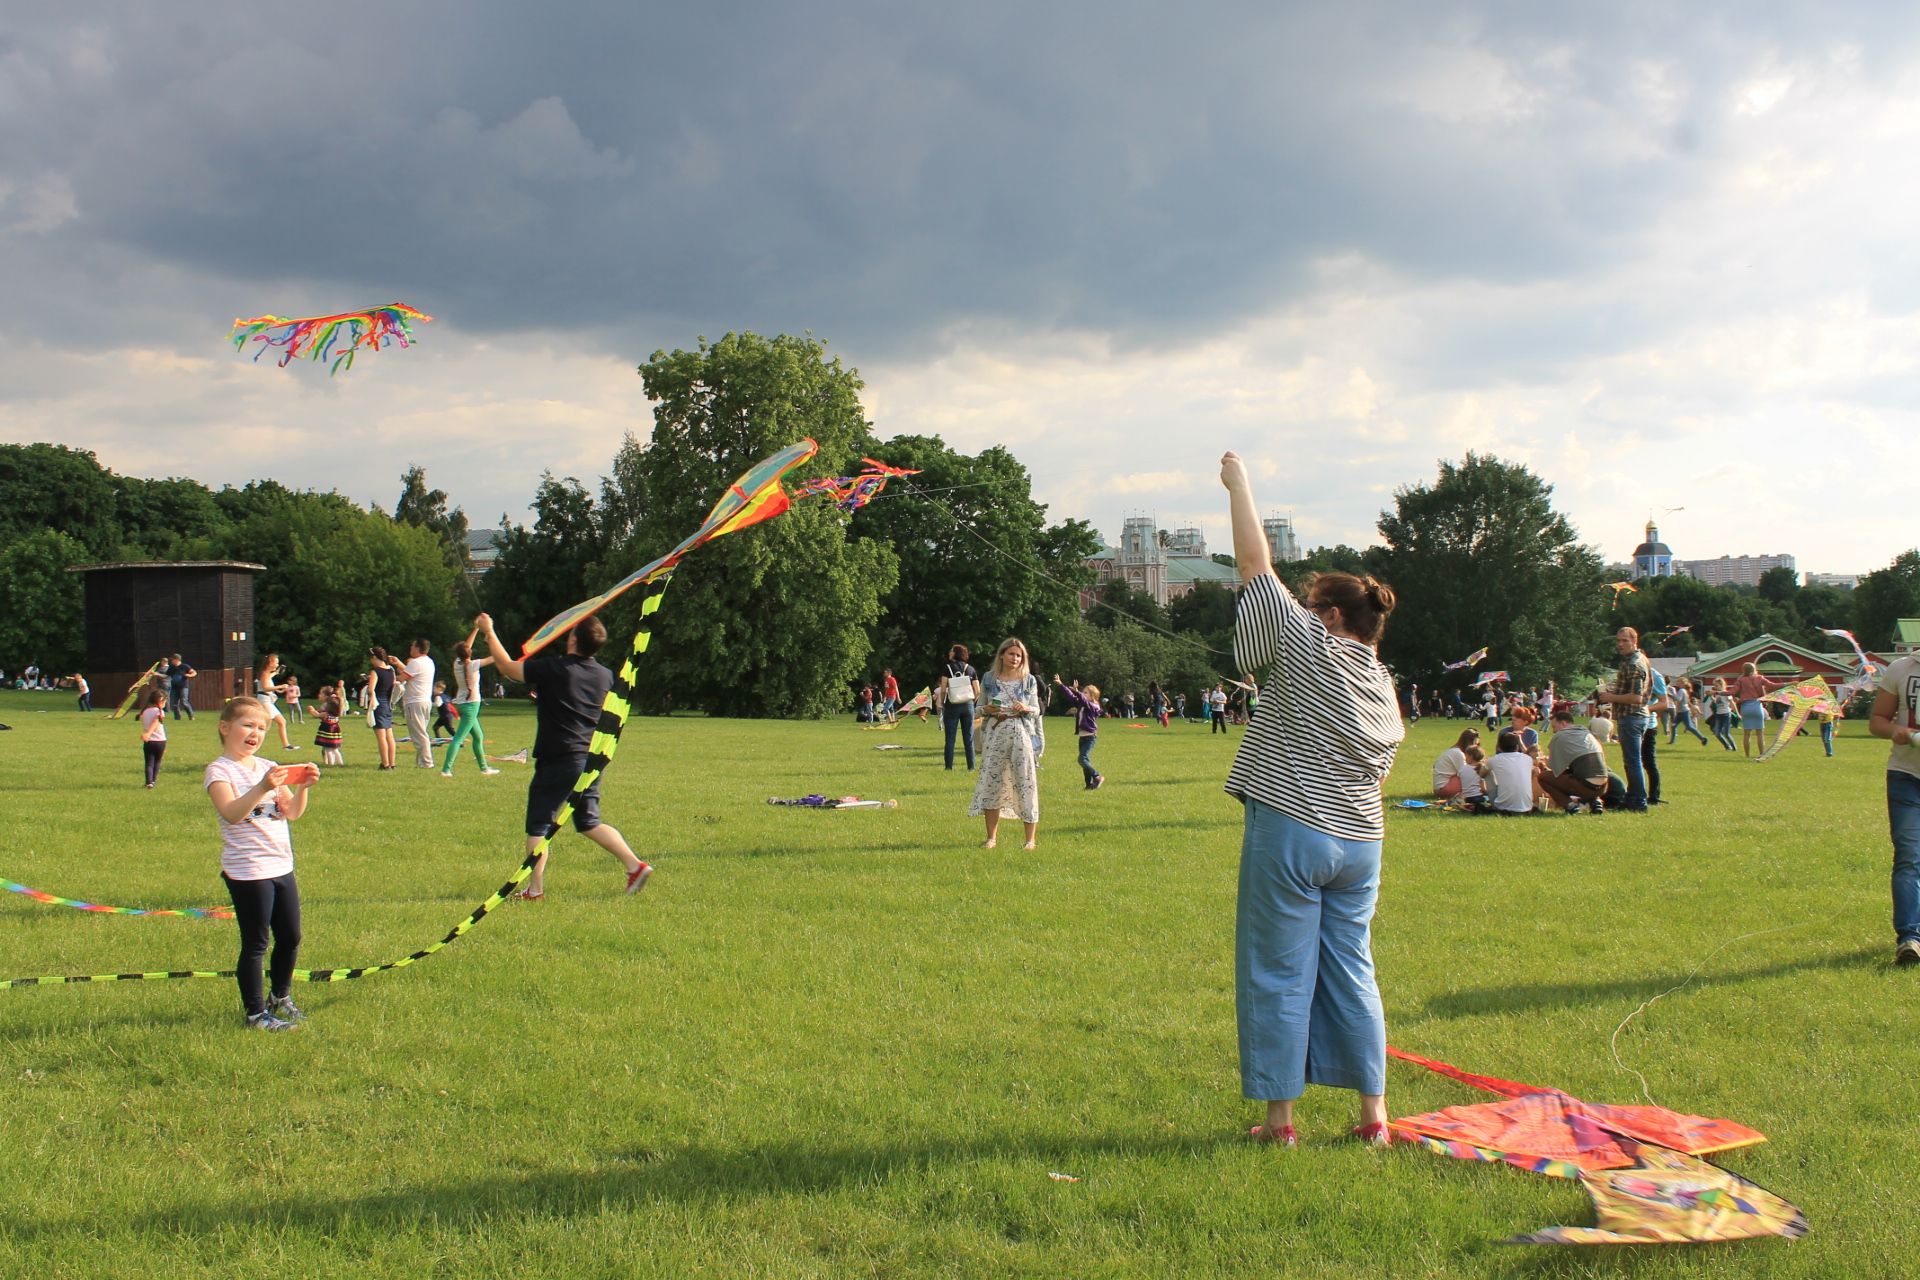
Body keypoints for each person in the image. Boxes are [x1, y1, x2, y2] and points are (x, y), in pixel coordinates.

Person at [1220, 451, 1405, 1148]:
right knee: (1354, 972)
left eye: (1311, 607)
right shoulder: (1384, 684)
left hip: (1294, 833)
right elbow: (1385, 765)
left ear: (1329, 615)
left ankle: (1280, 1125)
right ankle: (1373, 1119)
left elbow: (1252, 569)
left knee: (1277, 971)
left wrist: (1240, 486)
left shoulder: (1309, 644)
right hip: (1363, 843)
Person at [476, 612, 651, 901]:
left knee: (539, 824)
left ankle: (535, 890)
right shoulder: (606, 675)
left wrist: (489, 631)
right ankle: (635, 865)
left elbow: (507, 668)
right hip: (590, 759)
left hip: (558, 758)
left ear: (572, 639)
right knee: (589, 822)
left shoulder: (557, 668)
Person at [205, 696, 316, 1031]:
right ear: (226, 728)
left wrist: (303, 787)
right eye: (248, 725)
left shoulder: (269, 766)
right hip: (248, 870)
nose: (255, 733)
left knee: (291, 936)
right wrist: (262, 786)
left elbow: (292, 813)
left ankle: (279, 997)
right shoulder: (219, 770)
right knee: (256, 942)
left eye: (262, 727)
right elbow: (232, 813)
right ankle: (255, 1015)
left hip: (281, 865)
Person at [1866, 653, 1920, 965]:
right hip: (1906, 777)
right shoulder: (1901, 668)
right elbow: (1877, 721)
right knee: (1909, 858)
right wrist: (1896, 732)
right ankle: (1910, 939)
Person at [969, 637, 1042, 848]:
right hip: (995, 733)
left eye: (1019, 655)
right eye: (1011, 654)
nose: (1015, 658)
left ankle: (1030, 840)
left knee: (1025, 781)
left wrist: (1026, 708)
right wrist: (987, 710)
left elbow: (1037, 710)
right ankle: (991, 838)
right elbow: (978, 708)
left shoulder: (1029, 680)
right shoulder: (989, 679)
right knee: (993, 783)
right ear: (1002, 655)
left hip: (1021, 734)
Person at [1594, 628, 1653, 812]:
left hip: (1632, 717)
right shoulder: (1638, 659)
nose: (1620, 644)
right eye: (1618, 640)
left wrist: (1610, 697)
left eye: (1625, 641)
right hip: (1638, 716)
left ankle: (1637, 801)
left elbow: (1636, 697)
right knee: (1633, 760)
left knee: (1632, 761)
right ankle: (1634, 797)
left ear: (1635, 641)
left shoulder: (1634, 664)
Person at [441, 634, 498, 777]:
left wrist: (476, 629)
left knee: (478, 737)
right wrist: (491, 640)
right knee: (458, 739)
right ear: (469, 653)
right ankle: (446, 770)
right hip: (471, 706)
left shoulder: (457, 663)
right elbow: (496, 657)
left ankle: (484, 769)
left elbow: (466, 647)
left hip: (461, 704)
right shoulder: (474, 664)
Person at [1537, 708, 1609, 813]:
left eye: (1554, 727)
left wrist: (1544, 762)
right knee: (1580, 773)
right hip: (1603, 786)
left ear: (1563, 723)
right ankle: (1595, 801)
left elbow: (1553, 768)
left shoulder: (1560, 736)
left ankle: (1569, 805)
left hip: (1585, 786)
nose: (1553, 731)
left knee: (1543, 777)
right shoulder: (1588, 734)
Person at [1053, 675, 1104, 789]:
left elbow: (1084, 700)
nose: (1083, 693)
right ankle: (1089, 784)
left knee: (1082, 759)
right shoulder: (1083, 703)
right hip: (1082, 736)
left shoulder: (1093, 706)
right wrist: (1061, 685)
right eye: (1083, 692)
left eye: (1086, 692)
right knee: (1085, 760)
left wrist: (1077, 691)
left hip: (1090, 737)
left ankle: (1097, 777)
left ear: (1093, 696)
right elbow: (1071, 697)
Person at [937, 644, 981, 771]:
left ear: (956, 653)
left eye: (951, 651)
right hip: (967, 705)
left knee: (950, 738)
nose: (949, 653)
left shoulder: (947, 668)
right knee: (969, 738)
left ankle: (949, 767)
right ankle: (971, 767)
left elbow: (944, 688)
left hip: (952, 705)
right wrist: (972, 702)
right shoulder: (971, 669)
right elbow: (977, 690)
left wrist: (944, 701)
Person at [393, 639, 436, 768]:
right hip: (425, 702)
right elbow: (411, 673)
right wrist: (398, 663)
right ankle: (421, 762)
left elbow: (401, 678)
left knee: (419, 735)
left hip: (414, 703)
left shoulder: (416, 662)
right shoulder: (428, 661)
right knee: (422, 732)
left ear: (417, 648)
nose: (410, 648)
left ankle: (427, 763)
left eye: (412, 646)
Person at [1732, 661, 1784, 759]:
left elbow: (1734, 692)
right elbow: (1773, 685)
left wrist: (1718, 692)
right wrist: (1788, 683)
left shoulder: (1741, 679)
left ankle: (1747, 755)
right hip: (1757, 707)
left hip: (1745, 708)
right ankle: (1761, 754)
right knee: (1759, 733)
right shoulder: (1759, 678)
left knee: (1747, 734)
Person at [1484, 730, 1540, 815]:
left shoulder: (1494, 760)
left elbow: (1481, 773)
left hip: (1502, 807)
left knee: (1487, 774)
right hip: (1526, 807)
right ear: (1517, 747)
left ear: (1499, 747)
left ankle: (1491, 801)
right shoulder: (1528, 759)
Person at [364, 649, 400, 769]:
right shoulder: (391, 670)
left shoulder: (375, 671)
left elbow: (371, 690)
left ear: (375, 657)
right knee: (389, 735)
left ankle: (385, 764)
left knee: (381, 737)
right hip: (388, 704)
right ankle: (392, 763)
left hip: (378, 704)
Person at [255, 654, 296, 750]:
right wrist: (280, 686)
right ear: (270, 663)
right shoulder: (264, 673)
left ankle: (286, 745)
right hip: (264, 701)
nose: (277, 664)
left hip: (268, 701)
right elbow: (265, 688)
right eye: (276, 662)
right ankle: (254, 742)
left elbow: (270, 677)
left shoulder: (267, 673)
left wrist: (277, 672)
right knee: (266, 725)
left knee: (282, 722)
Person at [1431, 728, 1480, 799]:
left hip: (1441, 787)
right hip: (1443, 789)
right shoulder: (1458, 753)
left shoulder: (1454, 750)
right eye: (1475, 744)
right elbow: (1466, 774)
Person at [138, 687, 167, 788]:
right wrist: (149, 733)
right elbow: (156, 722)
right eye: (164, 702)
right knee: (157, 762)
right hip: (160, 741)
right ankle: (153, 781)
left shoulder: (145, 712)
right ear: (160, 701)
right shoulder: (159, 712)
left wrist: (147, 734)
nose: (165, 704)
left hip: (149, 741)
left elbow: (145, 722)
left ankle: (148, 782)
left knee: (149, 763)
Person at [313, 685, 346, 767]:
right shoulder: (336, 715)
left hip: (327, 731)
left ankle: (330, 765)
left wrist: (311, 710)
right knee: (335, 749)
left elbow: (316, 715)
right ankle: (340, 763)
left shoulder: (325, 714)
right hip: (335, 731)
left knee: (328, 749)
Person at [1669, 677, 1708, 745]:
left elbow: (1678, 699)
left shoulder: (1681, 690)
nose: (1677, 683)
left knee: (1689, 727)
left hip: (1684, 712)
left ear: (1682, 683)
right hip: (1680, 712)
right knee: (1673, 726)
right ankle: (1672, 741)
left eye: (1678, 682)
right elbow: (1686, 701)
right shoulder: (1684, 691)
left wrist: (1670, 694)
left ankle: (1703, 738)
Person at [1706, 678, 1737, 750]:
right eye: (1714, 686)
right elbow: (1717, 703)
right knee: (1717, 733)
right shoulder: (1717, 694)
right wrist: (1711, 696)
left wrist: (1737, 714)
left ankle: (1734, 748)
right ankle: (1727, 746)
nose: (1715, 687)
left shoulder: (1726, 693)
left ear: (1721, 685)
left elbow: (1732, 703)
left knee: (1726, 734)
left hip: (1726, 714)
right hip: (1718, 715)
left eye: (1716, 685)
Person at [165, 654, 196, 720]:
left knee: (184, 702)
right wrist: (155, 674)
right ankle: (177, 718)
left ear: (177, 660)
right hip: (174, 688)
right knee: (174, 704)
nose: (171, 661)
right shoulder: (171, 667)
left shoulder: (185, 666)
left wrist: (189, 675)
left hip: (183, 687)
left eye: (172, 660)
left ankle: (191, 716)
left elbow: (194, 673)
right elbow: (165, 676)